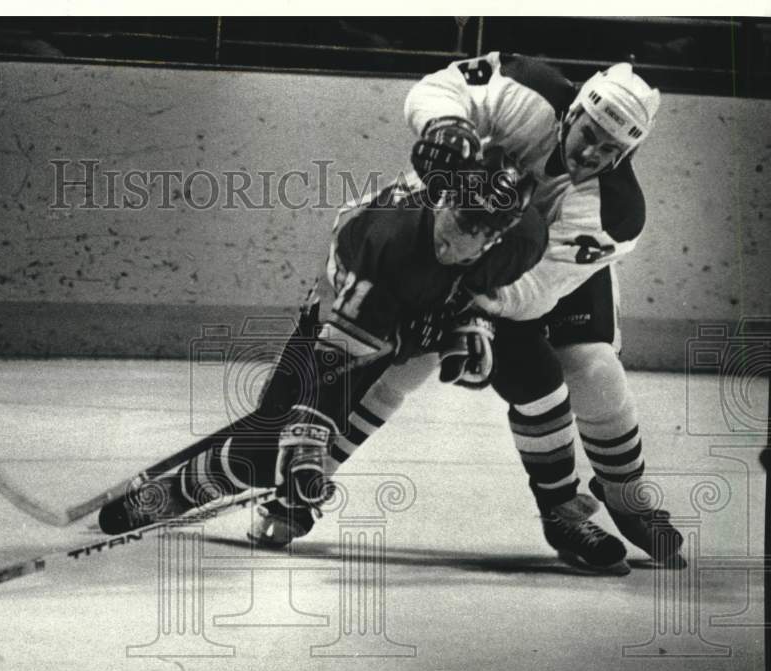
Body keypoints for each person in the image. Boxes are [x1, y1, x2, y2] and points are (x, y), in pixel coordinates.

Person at [98, 148, 546, 541]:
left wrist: (469, 318)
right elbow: (332, 364)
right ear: (443, 197)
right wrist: (306, 448)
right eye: (461, 219)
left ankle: (201, 494)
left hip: (415, 298)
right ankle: (176, 494)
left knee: (283, 440)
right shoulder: (389, 238)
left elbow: (491, 289)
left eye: (481, 232)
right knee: (270, 439)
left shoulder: (523, 241)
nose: (461, 240)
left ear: (500, 235)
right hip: (355, 294)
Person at [387, 52, 684, 572]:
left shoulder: (615, 211)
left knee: (592, 367)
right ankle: (300, 489)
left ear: (628, 152)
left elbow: (536, 292)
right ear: (573, 112)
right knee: (407, 363)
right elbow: (437, 86)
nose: (591, 152)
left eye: (610, 148)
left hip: (547, 271)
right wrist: (445, 124)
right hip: (476, 237)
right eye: (589, 132)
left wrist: (466, 303)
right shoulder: (528, 86)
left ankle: (622, 494)